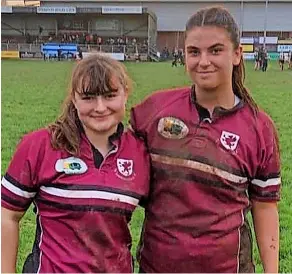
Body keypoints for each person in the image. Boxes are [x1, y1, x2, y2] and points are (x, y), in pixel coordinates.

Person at [130, 6, 281, 273]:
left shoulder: (260, 128)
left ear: (237, 54)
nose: (203, 61)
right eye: (194, 52)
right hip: (157, 266)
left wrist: (271, 271)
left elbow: (265, 207)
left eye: (215, 50)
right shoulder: (155, 110)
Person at [1, 54, 150, 273]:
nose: (100, 107)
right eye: (88, 97)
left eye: (110, 96)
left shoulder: (141, 153)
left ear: (126, 93)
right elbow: (7, 214)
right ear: (74, 98)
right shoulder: (40, 145)